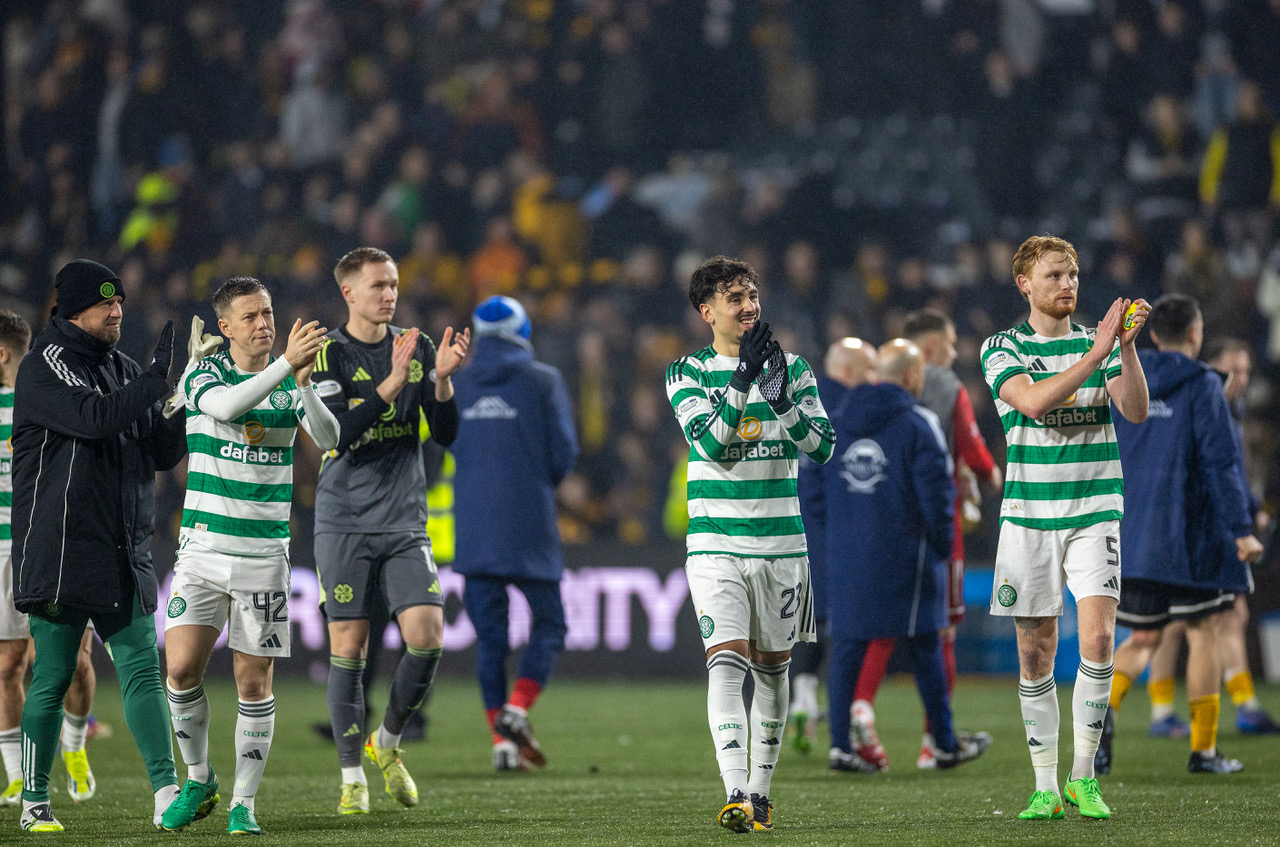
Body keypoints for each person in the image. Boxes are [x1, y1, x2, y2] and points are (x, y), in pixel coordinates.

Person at [11, 259, 186, 832]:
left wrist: (180, 397)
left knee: (142, 669)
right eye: (104, 302)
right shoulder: (43, 367)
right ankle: (35, 798)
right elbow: (93, 419)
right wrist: (151, 384)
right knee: (54, 674)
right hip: (62, 550)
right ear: (72, 308)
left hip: (122, 550)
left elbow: (160, 452)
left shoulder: (125, 367)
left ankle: (166, 794)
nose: (116, 311)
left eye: (120, 302)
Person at [979, 235, 1150, 821]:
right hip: (1028, 514)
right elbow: (1033, 404)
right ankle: (1045, 784)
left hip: (1094, 508)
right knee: (1037, 651)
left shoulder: (1095, 344)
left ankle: (1083, 778)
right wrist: (1096, 352)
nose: (1067, 284)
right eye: (1053, 275)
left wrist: (1123, 350)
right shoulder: (1002, 347)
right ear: (1024, 283)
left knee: (1100, 639)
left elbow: (1134, 411)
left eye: (1073, 274)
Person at [160, 277, 339, 836]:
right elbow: (234, 405)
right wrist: (286, 366)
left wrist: (305, 384)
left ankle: (244, 803)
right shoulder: (203, 373)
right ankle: (198, 777)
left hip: (263, 555)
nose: (264, 322)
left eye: (268, 311)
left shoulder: (290, 380)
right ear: (226, 327)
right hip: (203, 550)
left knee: (253, 681)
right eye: (251, 315)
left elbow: (331, 437)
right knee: (181, 669)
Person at [665, 255, 835, 833]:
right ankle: (735, 789)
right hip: (715, 546)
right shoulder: (685, 373)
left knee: (773, 672)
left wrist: (779, 394)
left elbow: (822, 447)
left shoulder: (797, 370)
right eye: (734, 297)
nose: (748, 306)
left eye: (752, 295)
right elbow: (711, 445)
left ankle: (761, 793)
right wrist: (744, 379)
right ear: (706, 311)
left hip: (783, 547)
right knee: (726, 665)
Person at [310, 247, 467, 814]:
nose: (389, 294)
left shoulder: (419, 346)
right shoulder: (328, 353)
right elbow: (337, 436)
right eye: (378, 285)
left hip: (404, 522)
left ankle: (389, 743)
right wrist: (392, 383)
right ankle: (352, 777)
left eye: (394, 284)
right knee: (349, 647)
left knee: (427, 637)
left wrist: (441, 384)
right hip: (344, 523)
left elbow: (444, 435)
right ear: (348, 292)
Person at [1096, 294, 1260, 776]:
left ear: (1151, 335)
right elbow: (1221, 464)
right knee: (1205, 632)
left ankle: (1102, 718)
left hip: (1134, 534)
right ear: (1195, 334)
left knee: (1142, 638)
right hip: (1194, 538)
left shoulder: (1117, 375)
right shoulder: (1205, 385)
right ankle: (1204, 751)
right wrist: (1241, 530)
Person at [822, 339, 989, 774]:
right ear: (912, 376)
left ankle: (841, 746)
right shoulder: (919, 423)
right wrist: (939, 544)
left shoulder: (836, 422)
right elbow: (937, 494)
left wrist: (835, 539)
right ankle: (944, 743)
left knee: (848, 646)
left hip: (847, 553)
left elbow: (816, 491)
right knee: (926, 643)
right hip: (907, 554)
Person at [450, 295, 578, 771]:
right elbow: (564, 451)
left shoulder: (459, 382)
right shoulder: (543, 380)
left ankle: (501, 746)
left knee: (490, 641)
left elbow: (442, 441)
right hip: (530, 523)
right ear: (522, 331)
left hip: (475, 526)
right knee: (551, 622)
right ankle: (517, 709)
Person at [0, 309, 101, 809]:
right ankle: (18, 776)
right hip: (3, 552)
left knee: (73, 664)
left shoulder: (54, 396)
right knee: (8, 665)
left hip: (54, 545)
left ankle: (76, 748)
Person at [791, 338, 877, 754]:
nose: (874, 379)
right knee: (844, 628)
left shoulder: (798, 401)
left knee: (808, 616)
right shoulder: (848, 412)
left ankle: (803, 694)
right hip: (837, 531)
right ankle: (849, 724)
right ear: (847, 371)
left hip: (791, 529)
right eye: (868, 370)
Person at [1203, 338, 1279, 735]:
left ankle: (1161, 709)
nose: (1243, 378)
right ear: (1214, 367)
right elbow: (1224, 469)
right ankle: (1240, 710)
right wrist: (1248, 511)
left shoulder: (1230, 405)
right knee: (1224, 619)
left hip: (1216, 522)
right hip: (1217, 524)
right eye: (1236, 369)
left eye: (1247, 370)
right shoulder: (1212, 405)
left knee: (1208, 622)